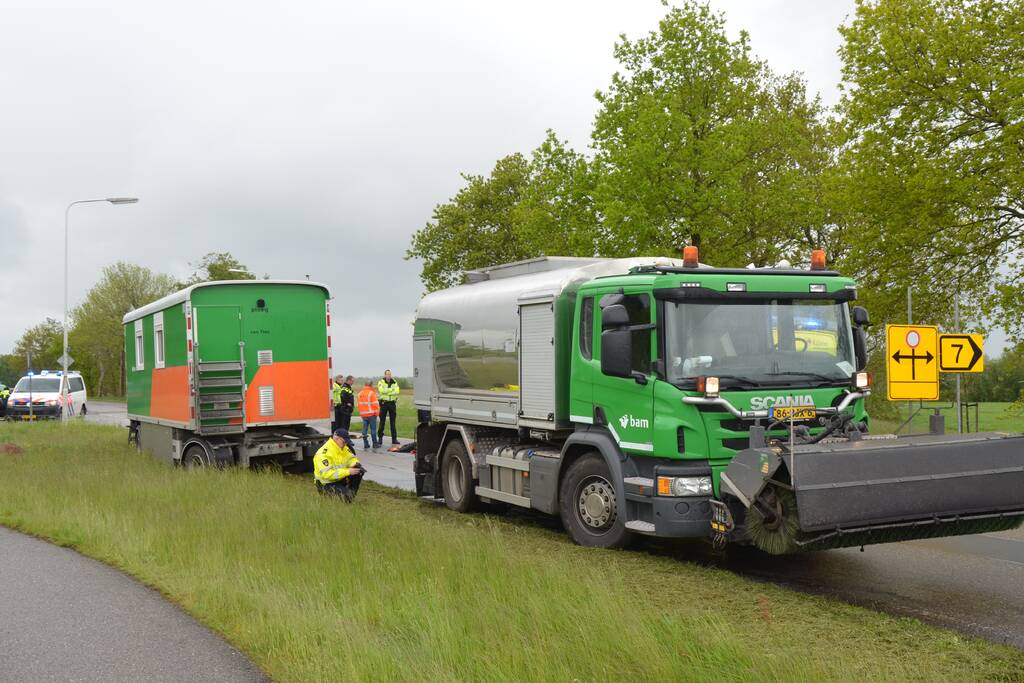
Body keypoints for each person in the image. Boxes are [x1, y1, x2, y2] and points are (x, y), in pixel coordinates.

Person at [313, 428, 365, 502]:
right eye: (344, 442)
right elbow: (327, 475)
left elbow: (351, 458)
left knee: (358, 472)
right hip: (326, 484)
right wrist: (348, 471)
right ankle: (344, 496)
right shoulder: (323, 453)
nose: (345, 444)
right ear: (336, 438)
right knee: (346, 495)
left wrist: (356, 465)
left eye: (346, 442)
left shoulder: (343, 448)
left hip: (339, 479)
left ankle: (349, 496)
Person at [377, 370, 401, 446]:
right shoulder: (381, 382)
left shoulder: (394, 381)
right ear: (385, 375)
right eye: (387, 374)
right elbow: (381, 391)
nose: (389, 376)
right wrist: (392, 390)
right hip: (384, 403)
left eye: (390, 374)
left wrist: (387, 391)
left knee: (393, 422)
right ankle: (380, 439)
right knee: (382, 422)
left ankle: (394, 439)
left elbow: (397, 391)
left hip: (392, 403)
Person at [357, 380, 381, 450]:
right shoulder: (371, 393)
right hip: (371, 414)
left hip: (363, 415)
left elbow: (359, 405)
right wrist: (377, 413)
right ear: (371, 385)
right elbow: (375, 404)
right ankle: (375, 444)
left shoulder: (360, 393)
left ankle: (366, 444)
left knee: (364, 430)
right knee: (373, 430)